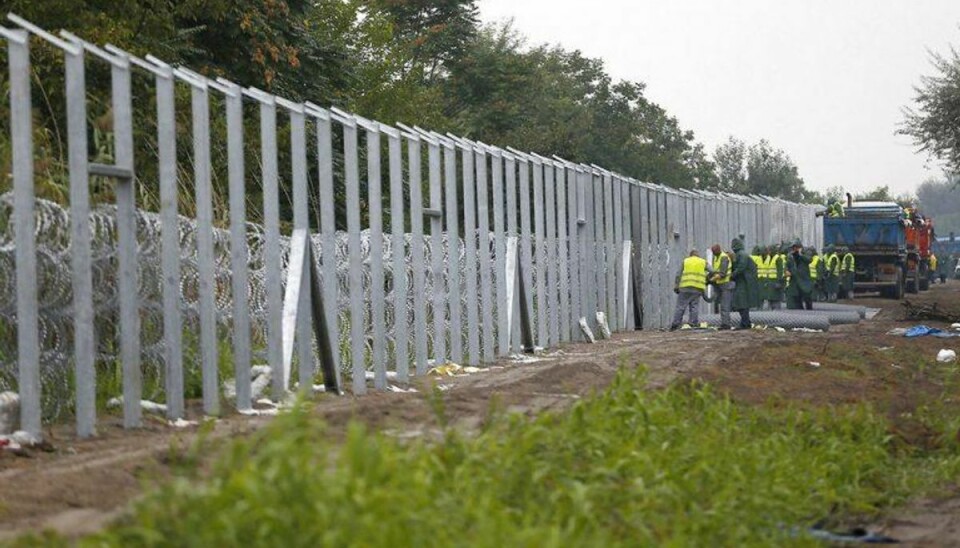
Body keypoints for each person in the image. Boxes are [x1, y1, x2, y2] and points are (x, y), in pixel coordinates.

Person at [669, 249, 707, 331]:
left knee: (680, 307)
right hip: (697, 288)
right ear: (698, 255)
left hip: (685, 288)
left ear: (690, 255)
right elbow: (712, 270)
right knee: (694, 306)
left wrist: (676, 286)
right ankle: (693, 323)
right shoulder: (703, 261)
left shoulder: (686, 261)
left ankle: (675, 325)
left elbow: (678, 274)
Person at [730, 238, 760, 329]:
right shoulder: (740, 254)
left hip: (744, 282)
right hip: (743, 281)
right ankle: (746, 322)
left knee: (742, 303)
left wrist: (732, 275)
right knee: (741, 302)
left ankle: (745, 323)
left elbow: (741, 267)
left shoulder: (741, 255)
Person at [709, 243, 734, 330]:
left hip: (726, 284)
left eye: (714, 252)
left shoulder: (724, 257)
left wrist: (712, 279)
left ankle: (726, 325)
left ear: (718, 250)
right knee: (721, 305)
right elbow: (715, 270)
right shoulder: (716, 257)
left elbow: (722, 273)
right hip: (720, 285)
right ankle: (724, 323)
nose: (714, 253)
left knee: (725, 305)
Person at [786, 240, 814, 310]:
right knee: (796, 297)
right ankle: (800, 311)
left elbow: (809, 260)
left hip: (804, 279)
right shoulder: (790, 255)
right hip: (795, 279)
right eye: (794, 247)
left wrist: (801, 254)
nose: (795, 249)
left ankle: (809, 310)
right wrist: (786, 271)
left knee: (807, 296)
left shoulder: (805, 252)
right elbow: (787, 265)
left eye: (796, 247)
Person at [769, 244, 787, 309]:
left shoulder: (778, 259)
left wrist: (779, 282)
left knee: (776, 299)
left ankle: (777, 312)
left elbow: (780, 271)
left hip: (776, 281)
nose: (769, 252)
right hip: (770, 282)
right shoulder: (769, 258)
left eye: (770, 250)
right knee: (771, 298)